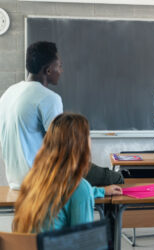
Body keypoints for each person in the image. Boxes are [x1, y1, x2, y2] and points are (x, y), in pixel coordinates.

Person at [0, 41, 123, 190]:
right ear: (48, 70)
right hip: (42, 181)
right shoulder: (48, 98)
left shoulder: (8, 93)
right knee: (116, 177)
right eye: (59, 66)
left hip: (15, 181)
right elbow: (63, 152)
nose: (61, 70)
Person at [12, 113, 122, 233]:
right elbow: (82, 243)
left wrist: (101, 191)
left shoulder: (33, 180)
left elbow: (66, 192)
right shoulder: (80, 188)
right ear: (81, 145)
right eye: (88, 136)